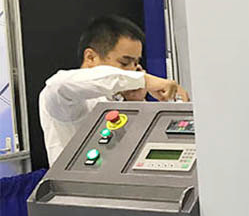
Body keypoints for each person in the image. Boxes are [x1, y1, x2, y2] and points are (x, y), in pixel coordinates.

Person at [39, 15, 189, 165]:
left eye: (135, 64)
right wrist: (143, 80)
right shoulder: (69, 100)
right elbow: (58, 85)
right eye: (124, 63)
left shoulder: (120, 98)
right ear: (90, 57)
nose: (132, 70)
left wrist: (135, 103)